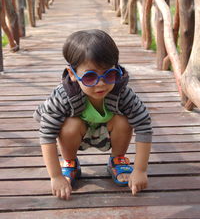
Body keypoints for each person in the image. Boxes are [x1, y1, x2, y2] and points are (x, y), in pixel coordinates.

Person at [34, 29, 152, 200]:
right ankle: (70, 162)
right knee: (69, 125)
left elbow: (143, 125)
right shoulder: (63, 96)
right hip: (75, 133)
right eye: (90, 77)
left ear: (117, 69)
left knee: (124, 121)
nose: (101, 84)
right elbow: (47, 134)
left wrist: (140, 170)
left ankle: (117, 159)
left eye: (110, 74)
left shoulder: (122, 93)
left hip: (110, 129)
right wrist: (56, 176)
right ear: (72, 74)